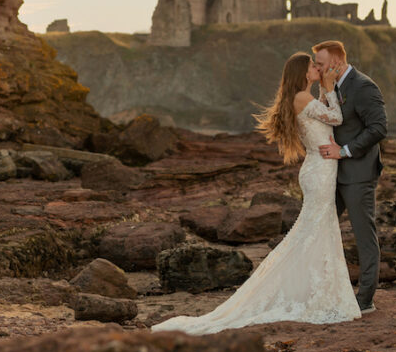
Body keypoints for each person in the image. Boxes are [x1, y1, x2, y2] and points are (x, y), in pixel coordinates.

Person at [151, 52, 361, 335]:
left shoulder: (305, 99)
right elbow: (335, 118)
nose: (317, 68)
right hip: (319, 171)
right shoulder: (302, 98)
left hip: (320, 168)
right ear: (302, 72)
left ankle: (314, 291)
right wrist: (329, 86)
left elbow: (324, 120)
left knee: (318, 230)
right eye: (313, 65)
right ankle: (312, 295)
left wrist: (324, 90)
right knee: (316, 230)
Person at [312, 40, 387, 314]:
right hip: (331, 175)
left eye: (319, 63)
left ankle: (365, 300)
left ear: (335, 62)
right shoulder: (330, 87)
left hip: (357, 174)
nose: (316, 68)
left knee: (363, 236)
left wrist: (344, 151)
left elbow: (379, 128)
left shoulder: (364, 86)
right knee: (318, 229)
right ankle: (322, 290)